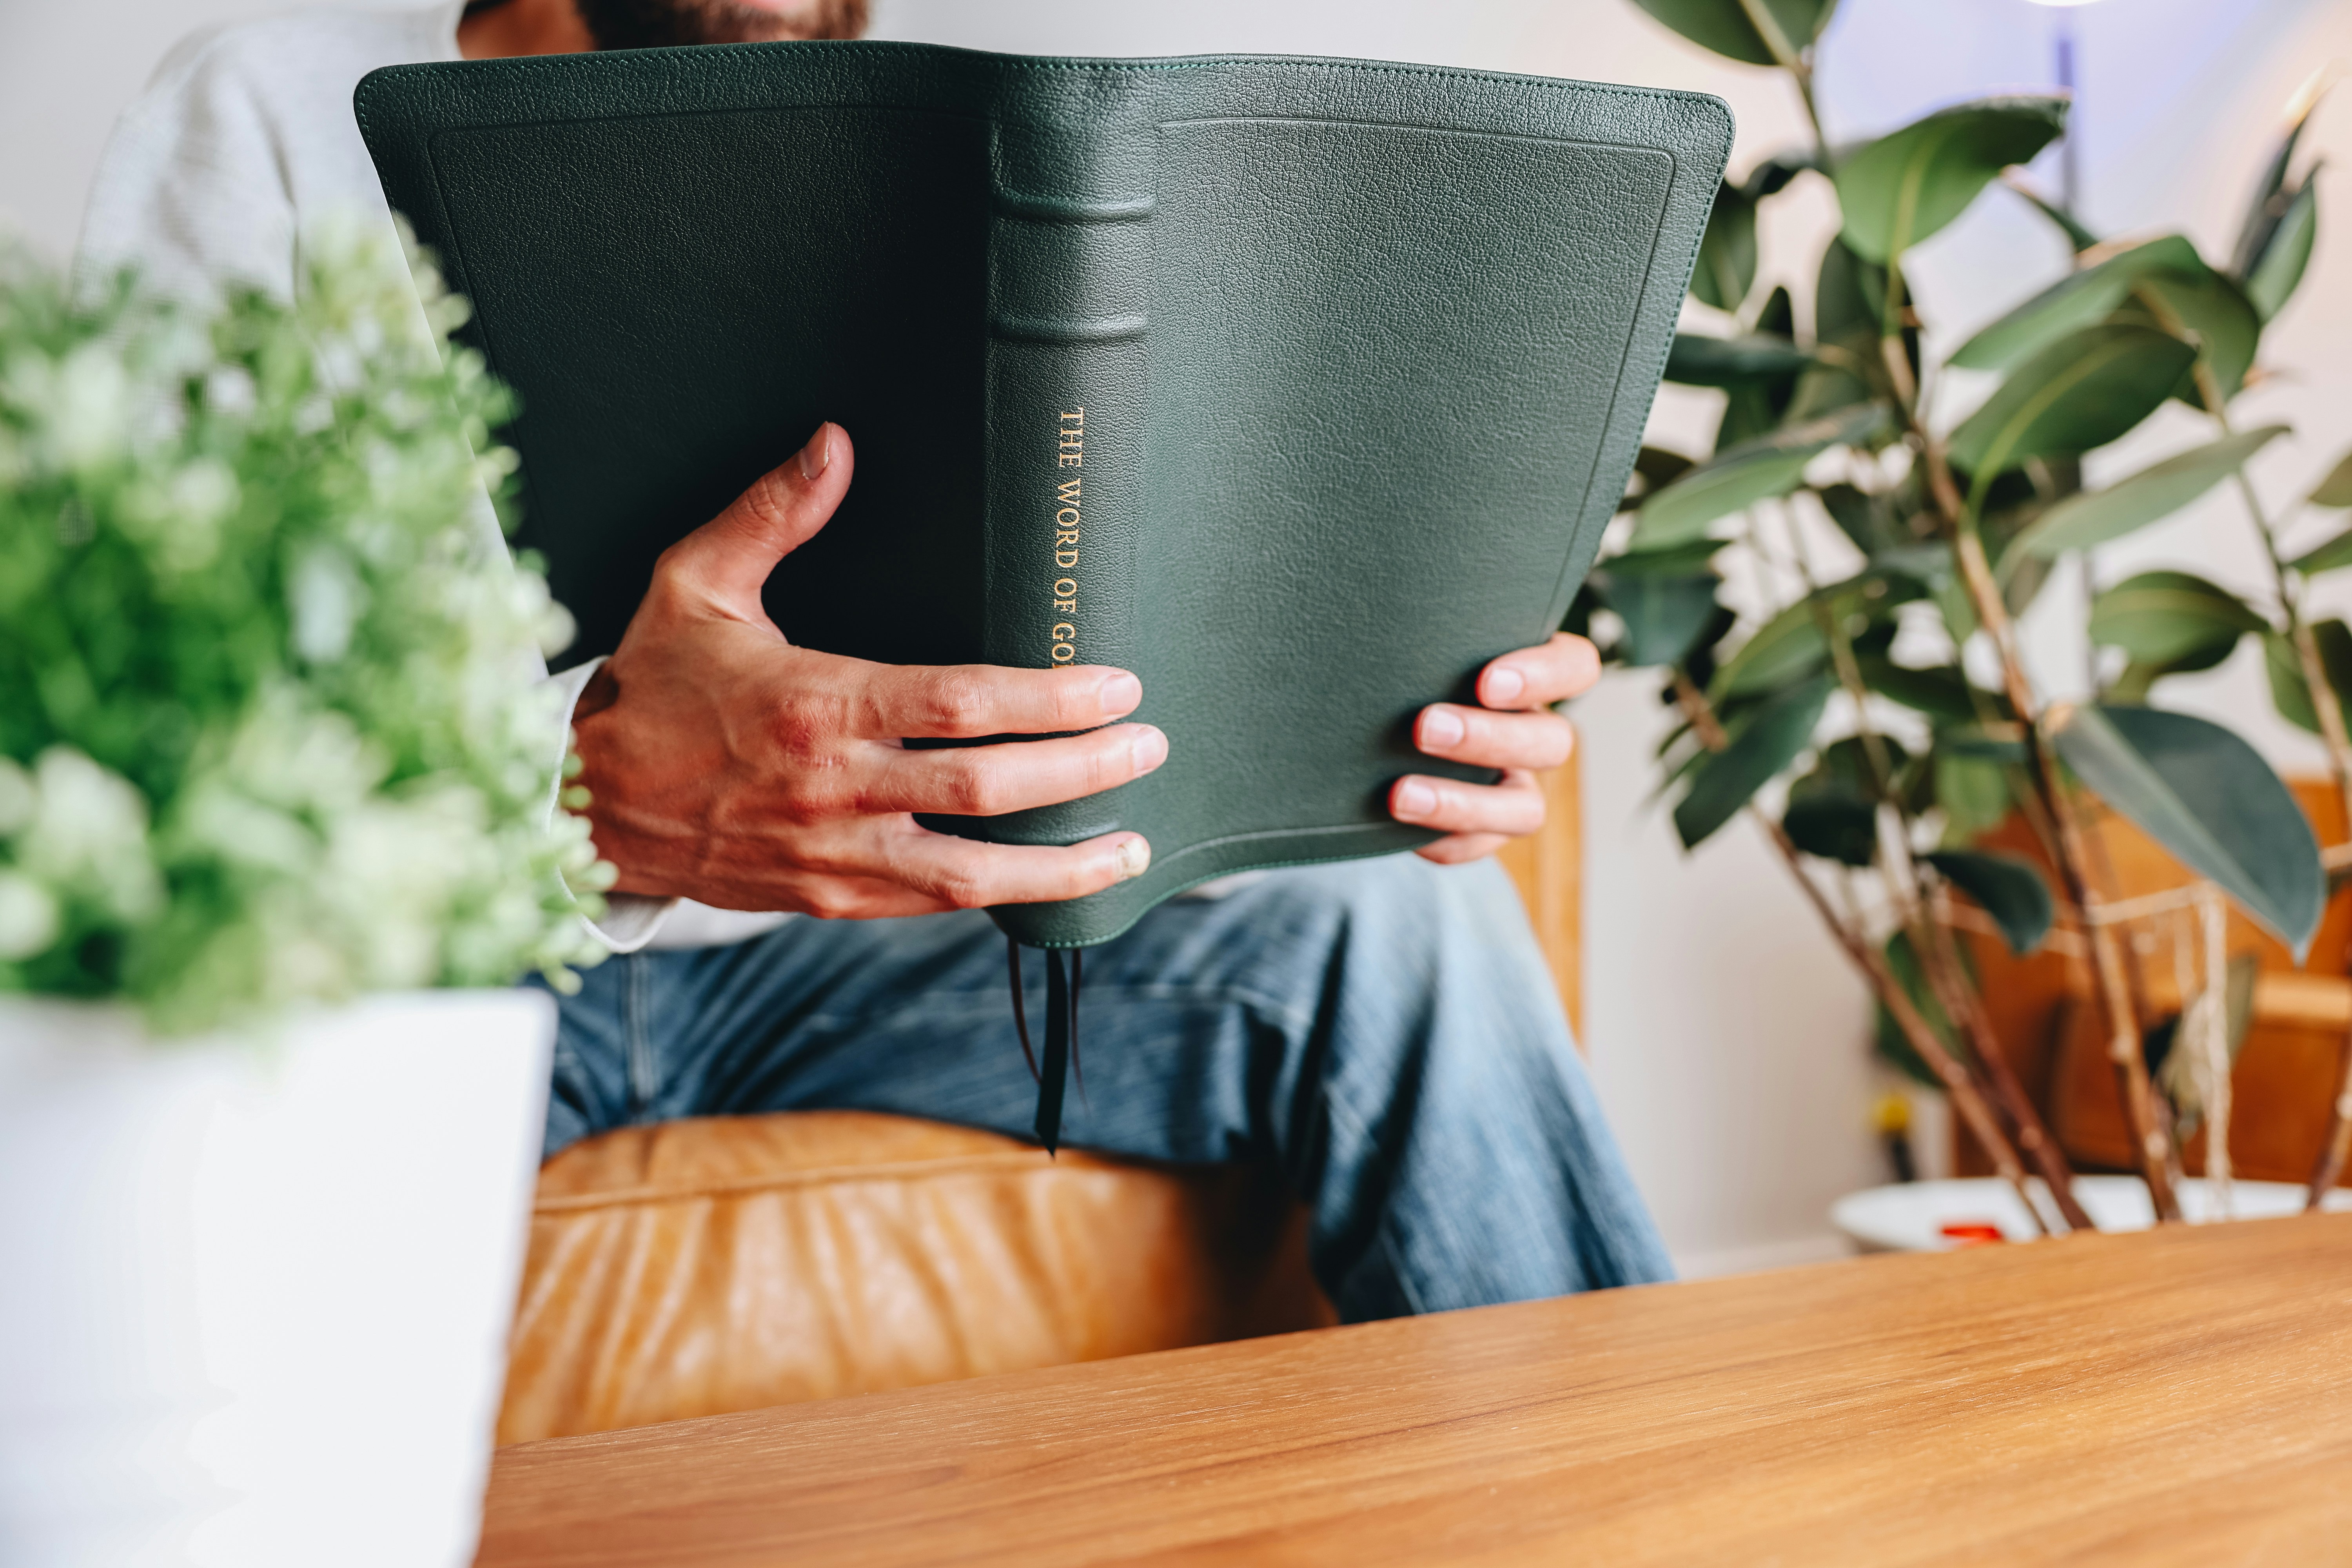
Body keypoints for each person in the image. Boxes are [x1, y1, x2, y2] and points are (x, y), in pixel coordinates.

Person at [77, 0, 1673, 1319]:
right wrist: (579, 795)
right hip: (440, 978)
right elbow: (141, 756)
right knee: (174, 1112)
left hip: (871, 959)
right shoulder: (268, 114)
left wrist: (1374, 749)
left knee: (1399, 920)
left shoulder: (966, 143)